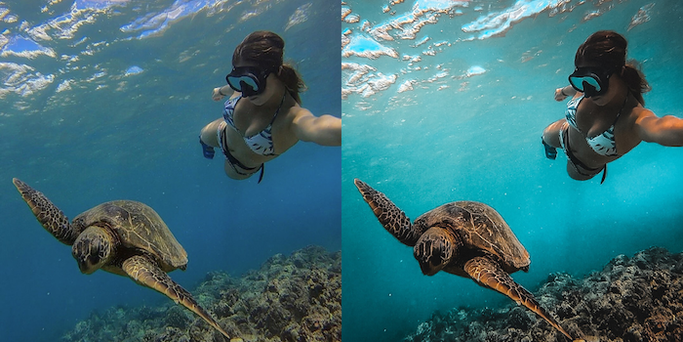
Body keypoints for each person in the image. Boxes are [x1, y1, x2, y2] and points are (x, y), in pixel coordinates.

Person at [542, 30, 683, 183]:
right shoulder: (588, 86)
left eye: (595, 82)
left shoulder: (635, 119)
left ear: (620, 72)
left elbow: (662, 127)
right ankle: (546, 142)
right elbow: (577, 88)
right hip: (561, 134)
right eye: (582, 81)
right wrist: (562, 92)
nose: (588, 93)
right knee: (546, 135)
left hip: (581, 167)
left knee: (572, 176)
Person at [199, 31, 341, 182]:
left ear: (276, 72)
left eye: (251, 81)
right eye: (239, 81)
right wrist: (219, 91)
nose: (245, 92)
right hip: (219, 133)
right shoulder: (246, 86)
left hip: (238, 167)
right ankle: (204, 142)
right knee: (203, 135)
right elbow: (233, 88)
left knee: (230, 175)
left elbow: (318, 126)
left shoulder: (292, 118)